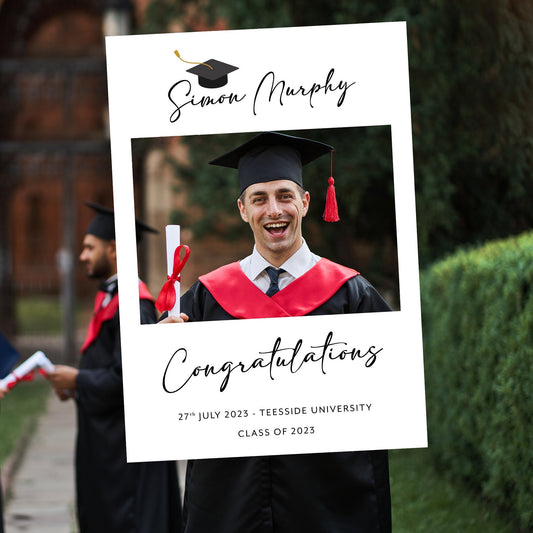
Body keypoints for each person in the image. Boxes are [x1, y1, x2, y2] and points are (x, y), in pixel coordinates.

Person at [164, 131, 392, 532]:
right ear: (242, 209)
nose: (274, 210)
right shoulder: (205, 298)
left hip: (327, 498)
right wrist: (160, 351)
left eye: (285, 195)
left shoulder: (351, 293)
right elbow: (167, 402)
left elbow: (389, 394)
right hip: (231, 496)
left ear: (305, 202)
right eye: (259, 198)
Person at [47, 203, 182, 533]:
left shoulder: (134, 304)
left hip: (126, 454)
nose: (82, 255)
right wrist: (77, 385)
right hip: (107, 445)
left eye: (89, 247)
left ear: (113, 248)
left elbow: (129, 378)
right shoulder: (111, 297)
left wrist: (78, 379)